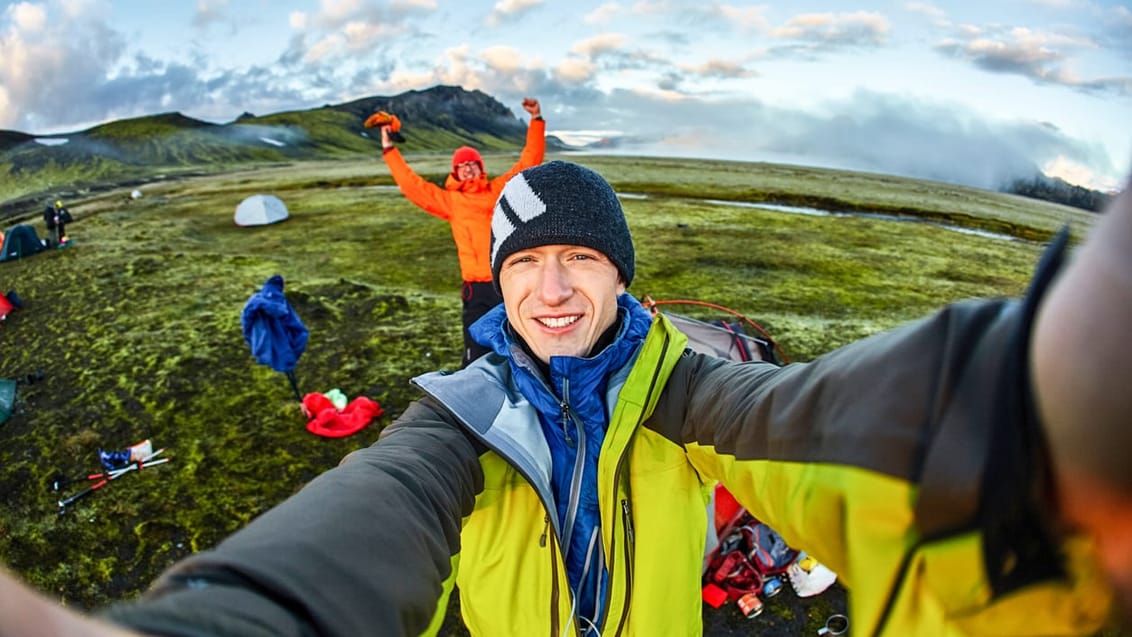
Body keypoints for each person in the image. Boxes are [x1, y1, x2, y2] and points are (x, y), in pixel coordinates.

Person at [1, 160, 1131, 637]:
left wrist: (1019, 412)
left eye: (581, 260)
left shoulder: (692, 395)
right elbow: (370, 518)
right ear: (498, 272)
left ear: (620, 275)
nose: (551, 287)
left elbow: (808, 421)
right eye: (527, 262)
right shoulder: (456, 417)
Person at [377, 97, 546, 367]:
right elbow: (412, 185)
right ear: (456, 172)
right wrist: (389, 148)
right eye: (462, 166)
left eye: (473, 164)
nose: (468, 168)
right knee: (476, 354)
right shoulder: (451, 201)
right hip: (476, 289)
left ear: (481, 168)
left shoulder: (499, 191)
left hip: (506, 280)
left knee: (520, 345)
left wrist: (536, 120)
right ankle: (475, 397)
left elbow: (528, 163)